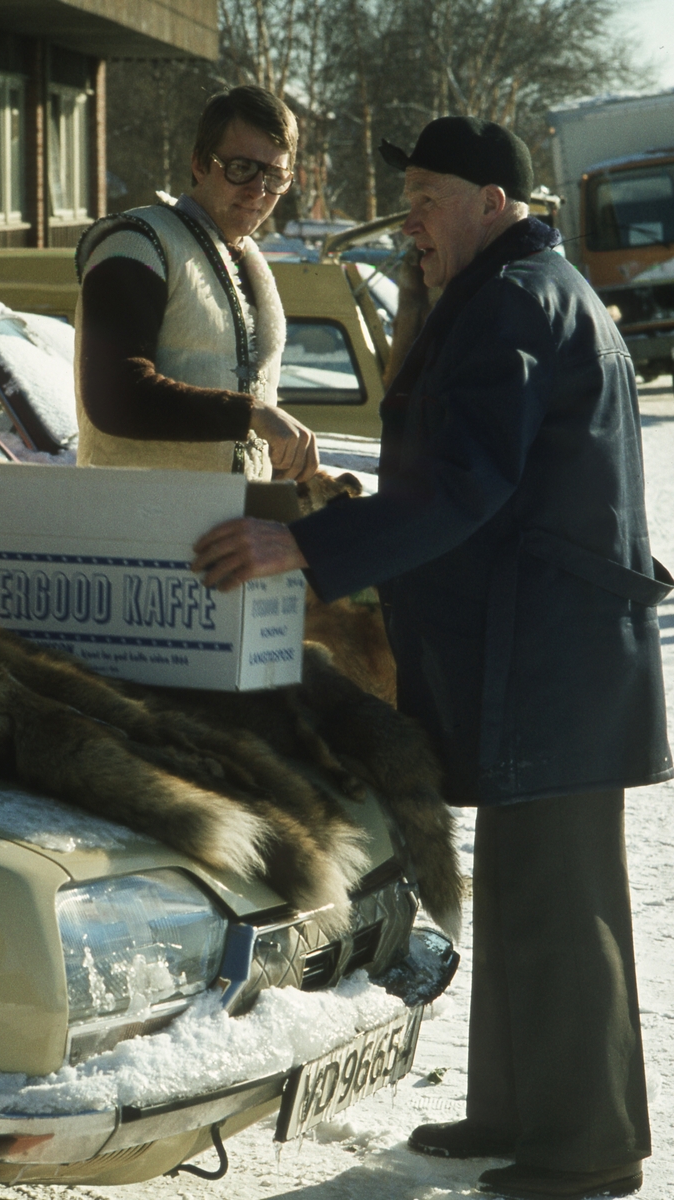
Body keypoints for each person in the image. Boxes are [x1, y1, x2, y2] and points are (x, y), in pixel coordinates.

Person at [191, 116, 674, 1200]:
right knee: (524, 892)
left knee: (560, 901)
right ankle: (517, 1110)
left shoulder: (514, 300)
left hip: (548, 660)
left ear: (494, 202)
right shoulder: (508, 287)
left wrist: (303, 545)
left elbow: (465, 482)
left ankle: (587, 1145)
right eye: (406, 195)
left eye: (429, 195)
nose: (408, 216)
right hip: (542, 654)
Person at [74, 85, 317, 481]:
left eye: (275, 175)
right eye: (241, 168)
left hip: (220, 530)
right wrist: (251, 414)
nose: (258, 190)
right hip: (135, 526)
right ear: (200, 164)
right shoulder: (137, 243)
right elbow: (114, 394)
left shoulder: (247, 261)